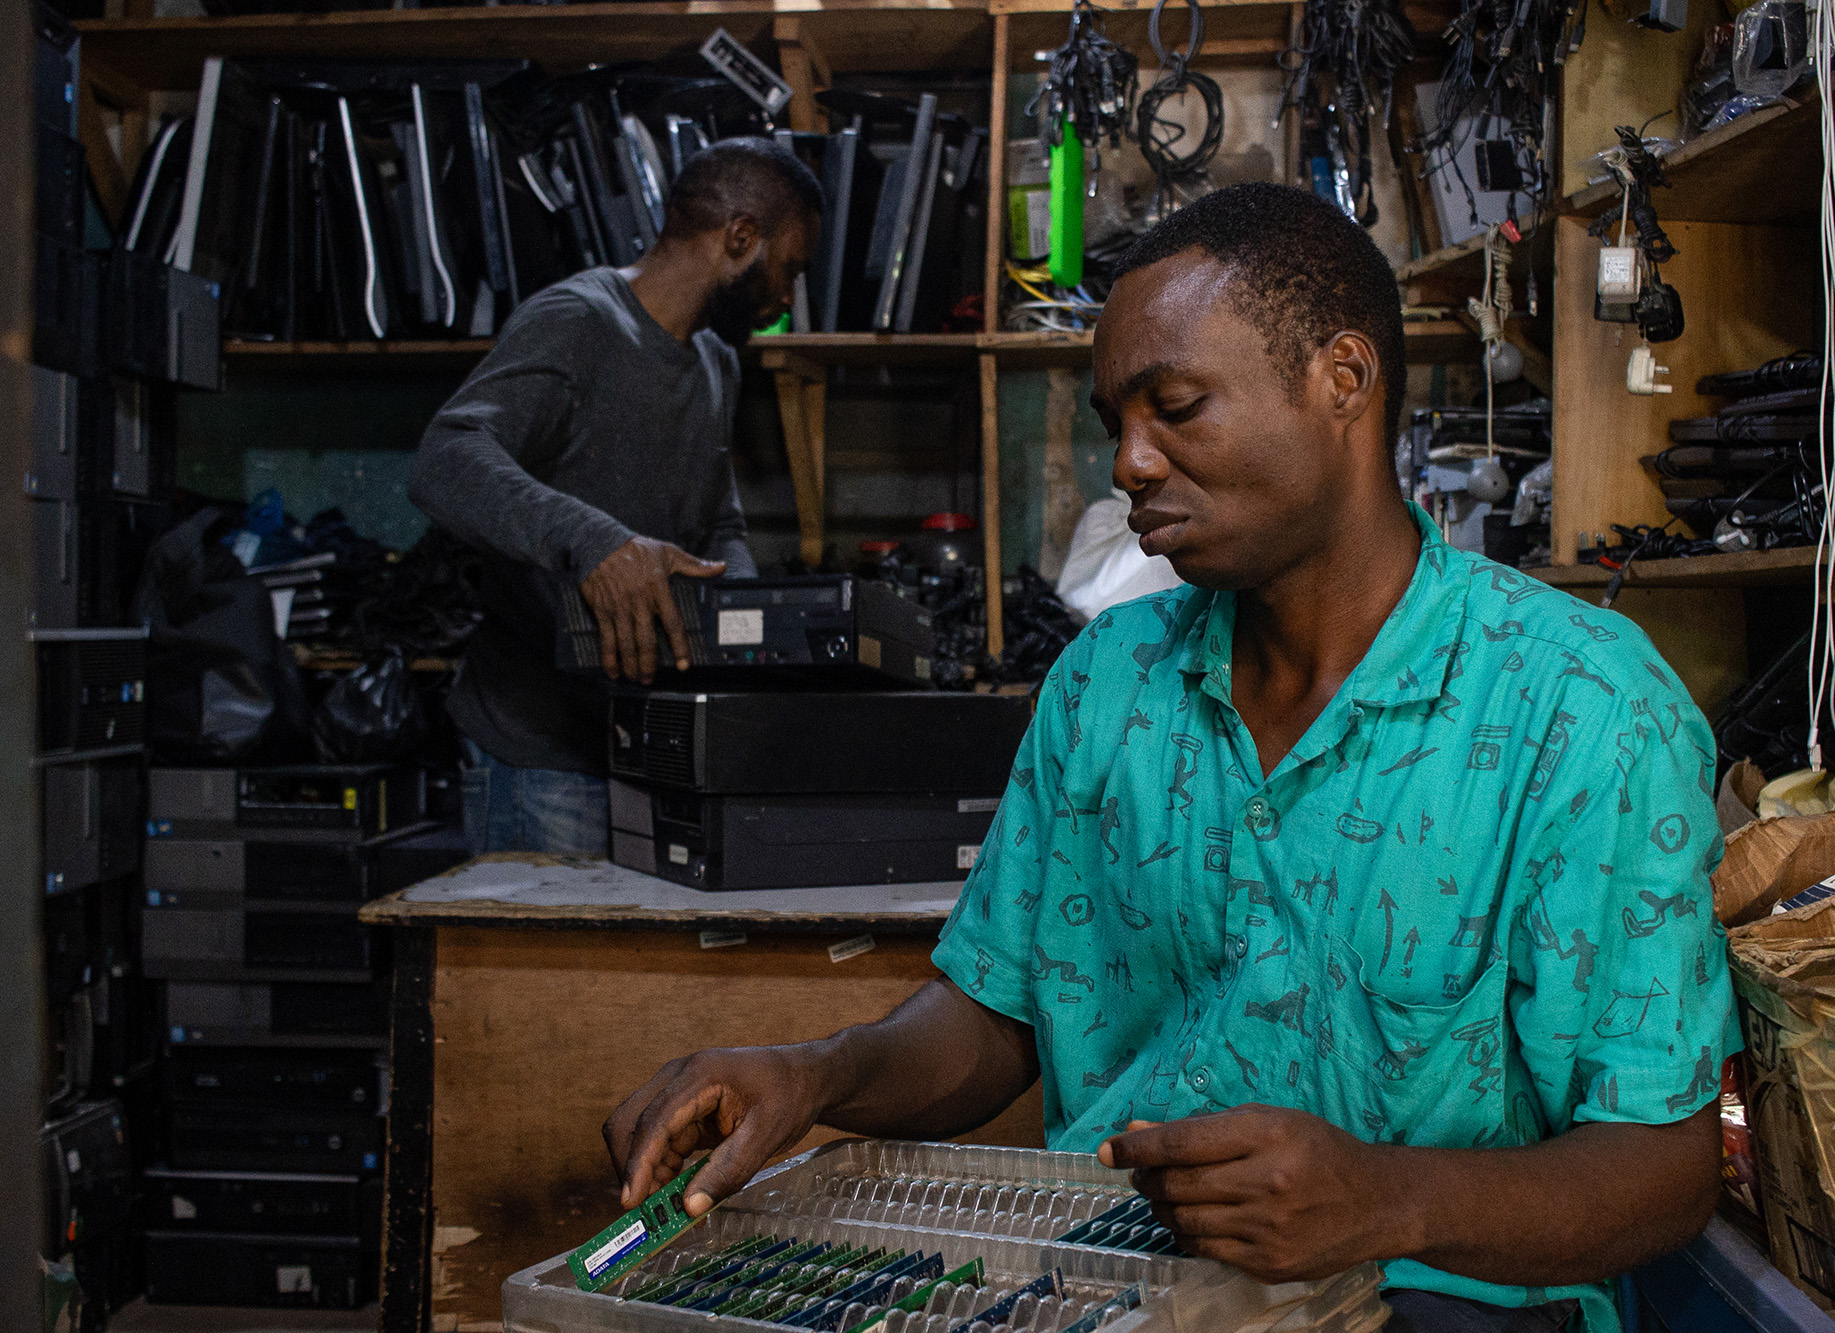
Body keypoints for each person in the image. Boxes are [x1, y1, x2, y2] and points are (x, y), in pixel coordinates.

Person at [602, 183, 1736, 1332]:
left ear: (1341, 380)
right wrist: (820, 1075)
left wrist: (1385, 1199)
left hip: (1437, 1302)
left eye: (1176, 407)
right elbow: (998, 1016)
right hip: (1117, 1291)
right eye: (1115, 424)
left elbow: (1663, 1169)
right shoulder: (1109, 680)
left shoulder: (1579, 706)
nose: (1131, 465)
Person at [409, 138, 821, 856]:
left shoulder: (717, 361)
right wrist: (598, 541)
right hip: (538, 758)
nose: (786, 299)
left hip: (639, 753)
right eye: (787, 269)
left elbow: (717, 522)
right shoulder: (577, 322)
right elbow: (444, 460)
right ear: (740, 237)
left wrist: (753, 632)